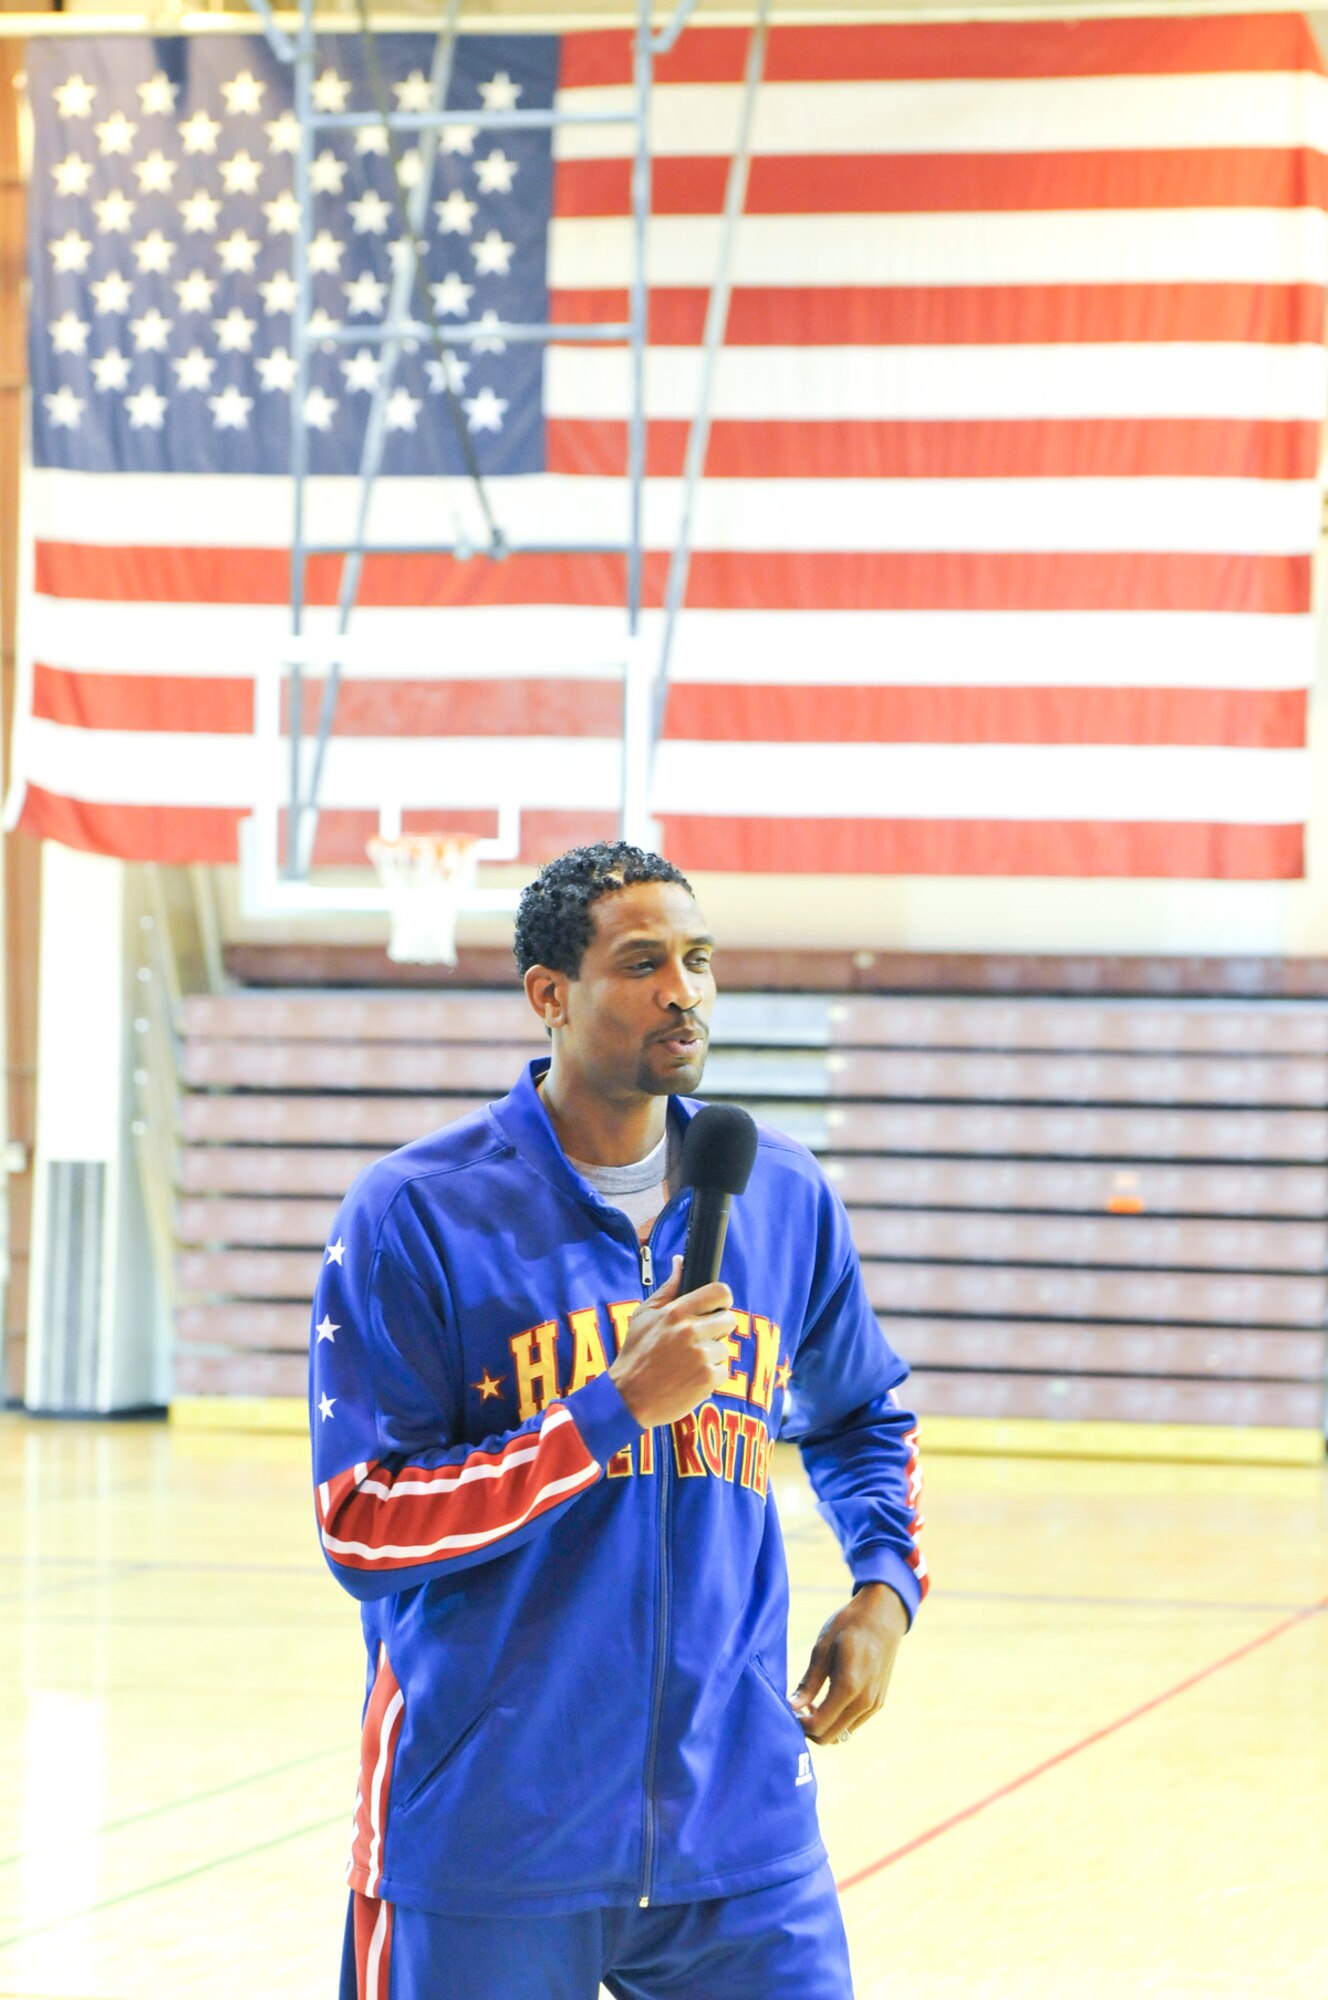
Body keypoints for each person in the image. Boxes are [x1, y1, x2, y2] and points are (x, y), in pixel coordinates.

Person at [310, 842, 927, 2000]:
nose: (681, 990)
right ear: (549, 993)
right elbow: (362, 1523)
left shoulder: (780, 1193)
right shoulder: (416, 1214)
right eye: (641, 962)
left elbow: (857, 1413)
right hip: (489, 1833)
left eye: (696, 959)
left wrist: (883, 1588)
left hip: (736, 1827)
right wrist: (603, 1415)